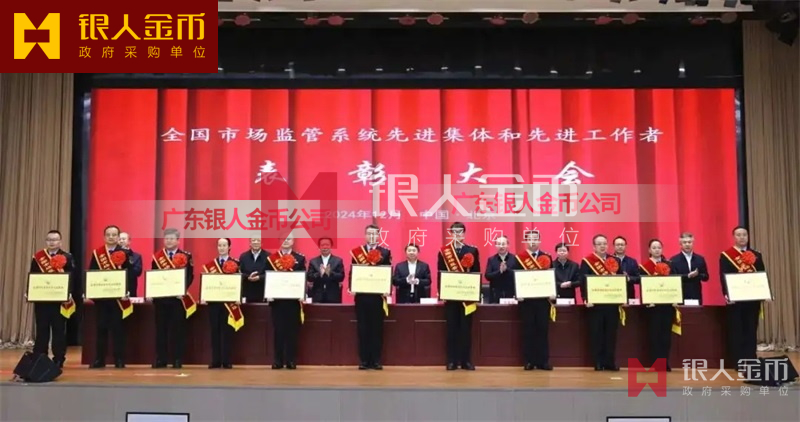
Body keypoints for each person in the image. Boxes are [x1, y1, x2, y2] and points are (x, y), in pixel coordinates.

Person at [720, 226, 766, 373]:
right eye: (738, 235)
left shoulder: (756, 255)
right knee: (737, 330)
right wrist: (727, 294)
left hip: (752, 299)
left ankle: (751, 359)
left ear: (748, 236)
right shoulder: (726, 255)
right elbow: (723, 276)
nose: (742, 237)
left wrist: (764, 292)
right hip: (736, 300)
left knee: (751, 329)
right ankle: (738, 361)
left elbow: (761, 275)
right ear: (734, 237)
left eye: (744, 234)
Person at [88, 225, 134, 369]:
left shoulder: (126, 253)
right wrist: (90, 291)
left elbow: (131, 274)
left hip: (118, 299)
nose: (111, 237)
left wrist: (128, 291)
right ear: (104, 237)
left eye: (114, 235)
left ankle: (119, 359)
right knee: (101, 329)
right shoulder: (97, 254)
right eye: (108, 234)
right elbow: (92, 273)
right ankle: (99, 359)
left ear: (118, 237)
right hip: (102, 298)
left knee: (118, 329)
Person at [29, 230, 75, 368]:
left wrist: (68, 293)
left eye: (55, 239)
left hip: (59, 300)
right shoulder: (38, 257)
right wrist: (29, 291)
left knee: (58, 330)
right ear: (46, 241)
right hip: (42, 300)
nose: (52, 242)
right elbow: (33, 276)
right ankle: (40, 356)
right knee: (42, 329)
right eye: (49, 239)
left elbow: (72, 277)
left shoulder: (67, 257)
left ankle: (59, 358)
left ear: (60, 242)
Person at [438, 222, 480, 371]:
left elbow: (476, 272)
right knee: (452, 330)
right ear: (451, 234)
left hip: (467, 297)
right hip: (451, 296)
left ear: (464, 234)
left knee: (466, 330)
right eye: (454, 232)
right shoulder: (444, 252)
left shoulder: (472, 250)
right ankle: (452, 361)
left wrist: (476, 293)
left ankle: (466, 361)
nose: (457, 234)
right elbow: (440, 272)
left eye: (460, 232)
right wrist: (441, 291)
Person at [580, 234, 624, 371]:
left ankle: (610, 362)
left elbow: (620, 280)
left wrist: (622, 297)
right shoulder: (587, 261)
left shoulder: (614, 260)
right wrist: (586, 298)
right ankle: (598, 362)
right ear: (594, 246)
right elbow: (583, 281)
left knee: (611, 334)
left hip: (612, 303)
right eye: (599, 244)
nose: (602, 246)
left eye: (604, 243)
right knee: (597, 333)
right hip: (596, 304)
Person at [151, 228, 194, 369]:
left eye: (171, 238)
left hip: (178, 299)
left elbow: (190, 276)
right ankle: (161, 359)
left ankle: (177, 359)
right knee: (161, 330)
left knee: (178, 330)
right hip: (161, 299)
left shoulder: (186, 256)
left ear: (178, 240)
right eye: (166, 238)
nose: (169, 241)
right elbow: (154, 276)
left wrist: (183, 289)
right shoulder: (157, 257)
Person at [350, 224, 391, 370]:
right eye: (369, 233)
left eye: (374, 233)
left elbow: (388, 272)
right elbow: (353, 271)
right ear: (365, 235)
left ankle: (376, 360)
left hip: (378, 297)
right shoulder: (357, 252)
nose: (371, 236)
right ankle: (364, 360)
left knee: (377, 329)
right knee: (363, 329)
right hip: (362, 296)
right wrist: (352, 286)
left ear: (379, 236)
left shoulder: (385, 252)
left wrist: (387, 288)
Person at [514, 230, 554, 370]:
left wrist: (552, 292)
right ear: (526, 241)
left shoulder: (547, 257)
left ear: (539, 240)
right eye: (530, 239)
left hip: (543, 300)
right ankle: (529, 361)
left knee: (542, 331)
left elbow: (551, 277)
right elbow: (515, 277)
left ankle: (543, 361)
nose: (533, 241)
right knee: (528, 331)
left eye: (535, 239)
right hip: (526, 301)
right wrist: (517, 293)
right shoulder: (519, 258)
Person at [266, 235, 306, 370]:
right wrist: (269, 293)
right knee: (278, 332)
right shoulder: (271, 259)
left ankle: (291, 360)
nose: (285, 241)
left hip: (293, 301)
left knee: (292, 332)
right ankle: (277, 361)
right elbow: (268, 276)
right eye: (283, 239)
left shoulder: (300, 258)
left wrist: (301, 293)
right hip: (277, 301)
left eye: (288, 239)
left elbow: (303, 277)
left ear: (293, 241)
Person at [638, 239, 677, 371]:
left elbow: (675, 283)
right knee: (654, 335)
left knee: (666, 336)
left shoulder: (670, 265)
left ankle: (665, 362)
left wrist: (675, 297)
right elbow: (643, 286)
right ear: (649, 250)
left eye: (659, 247)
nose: (657, 250)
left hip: (667, 305)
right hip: (652, 307)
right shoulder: (644, 267)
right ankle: (656, 362)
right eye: (654, 248)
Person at [202, 238, 240, 369]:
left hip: (229, 304)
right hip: (214, 303)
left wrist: (238, 296)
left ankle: (226, 360)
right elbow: (207, 283)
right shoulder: (211, 266)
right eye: (219, 245)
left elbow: (239, 282)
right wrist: (205, 295)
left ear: (229, 247)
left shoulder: (236, 263)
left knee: (227, 332)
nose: (222, 248)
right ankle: (216, 360)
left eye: (224, 245)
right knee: (215, 331)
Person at [669, 232, 709, 305]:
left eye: (689, 242)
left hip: (696, 294)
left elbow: (706, 277)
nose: (687, 244)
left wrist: (697, 275)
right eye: (684, 242)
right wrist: (687, 276)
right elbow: (672, 278)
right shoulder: (674, 260)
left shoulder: (700, 259)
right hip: (681, 296)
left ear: (693, 243)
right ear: (680, 244)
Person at [306, 237, 345, 304]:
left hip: (333, 296)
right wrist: (319, 274)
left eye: (327, 245)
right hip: (317, 296)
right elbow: (309, 277)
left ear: (331, 246)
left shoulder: (338, 261)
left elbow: (341, 277)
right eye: (322, 245)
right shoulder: (313, 261)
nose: (325, 247)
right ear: (319, 247)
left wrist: (330, 273)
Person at [485, 235, 517, 304]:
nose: (501, 246)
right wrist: (499, 271)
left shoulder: (515, 259)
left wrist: (507, 270)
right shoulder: (491, 259)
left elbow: (518, 275)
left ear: (508, 245)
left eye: (503, 244)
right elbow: (487, 276)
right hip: (495, 296)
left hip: (511, 295)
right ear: (495, 246)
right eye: (499, 244)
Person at [239, 237, 268, 304]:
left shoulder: (268, 256)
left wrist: (260, 277)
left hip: (263, 293)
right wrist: (248, 277)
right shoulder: (243, 256)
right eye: (253, 240)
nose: (256, 242)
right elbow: (240, 273)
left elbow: (270, 274)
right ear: (250, 243)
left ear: (262, 243)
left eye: (258, 240)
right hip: (247, 293)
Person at [613, 236, 640, 302]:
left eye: (622, 245)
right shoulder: (609, 260)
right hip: (613, 293)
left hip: (629, 294)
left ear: (625, 246)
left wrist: (629, 278)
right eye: (618, 245)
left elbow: (638, 278)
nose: (620, 247)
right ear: (614, 246)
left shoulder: (632, 261)